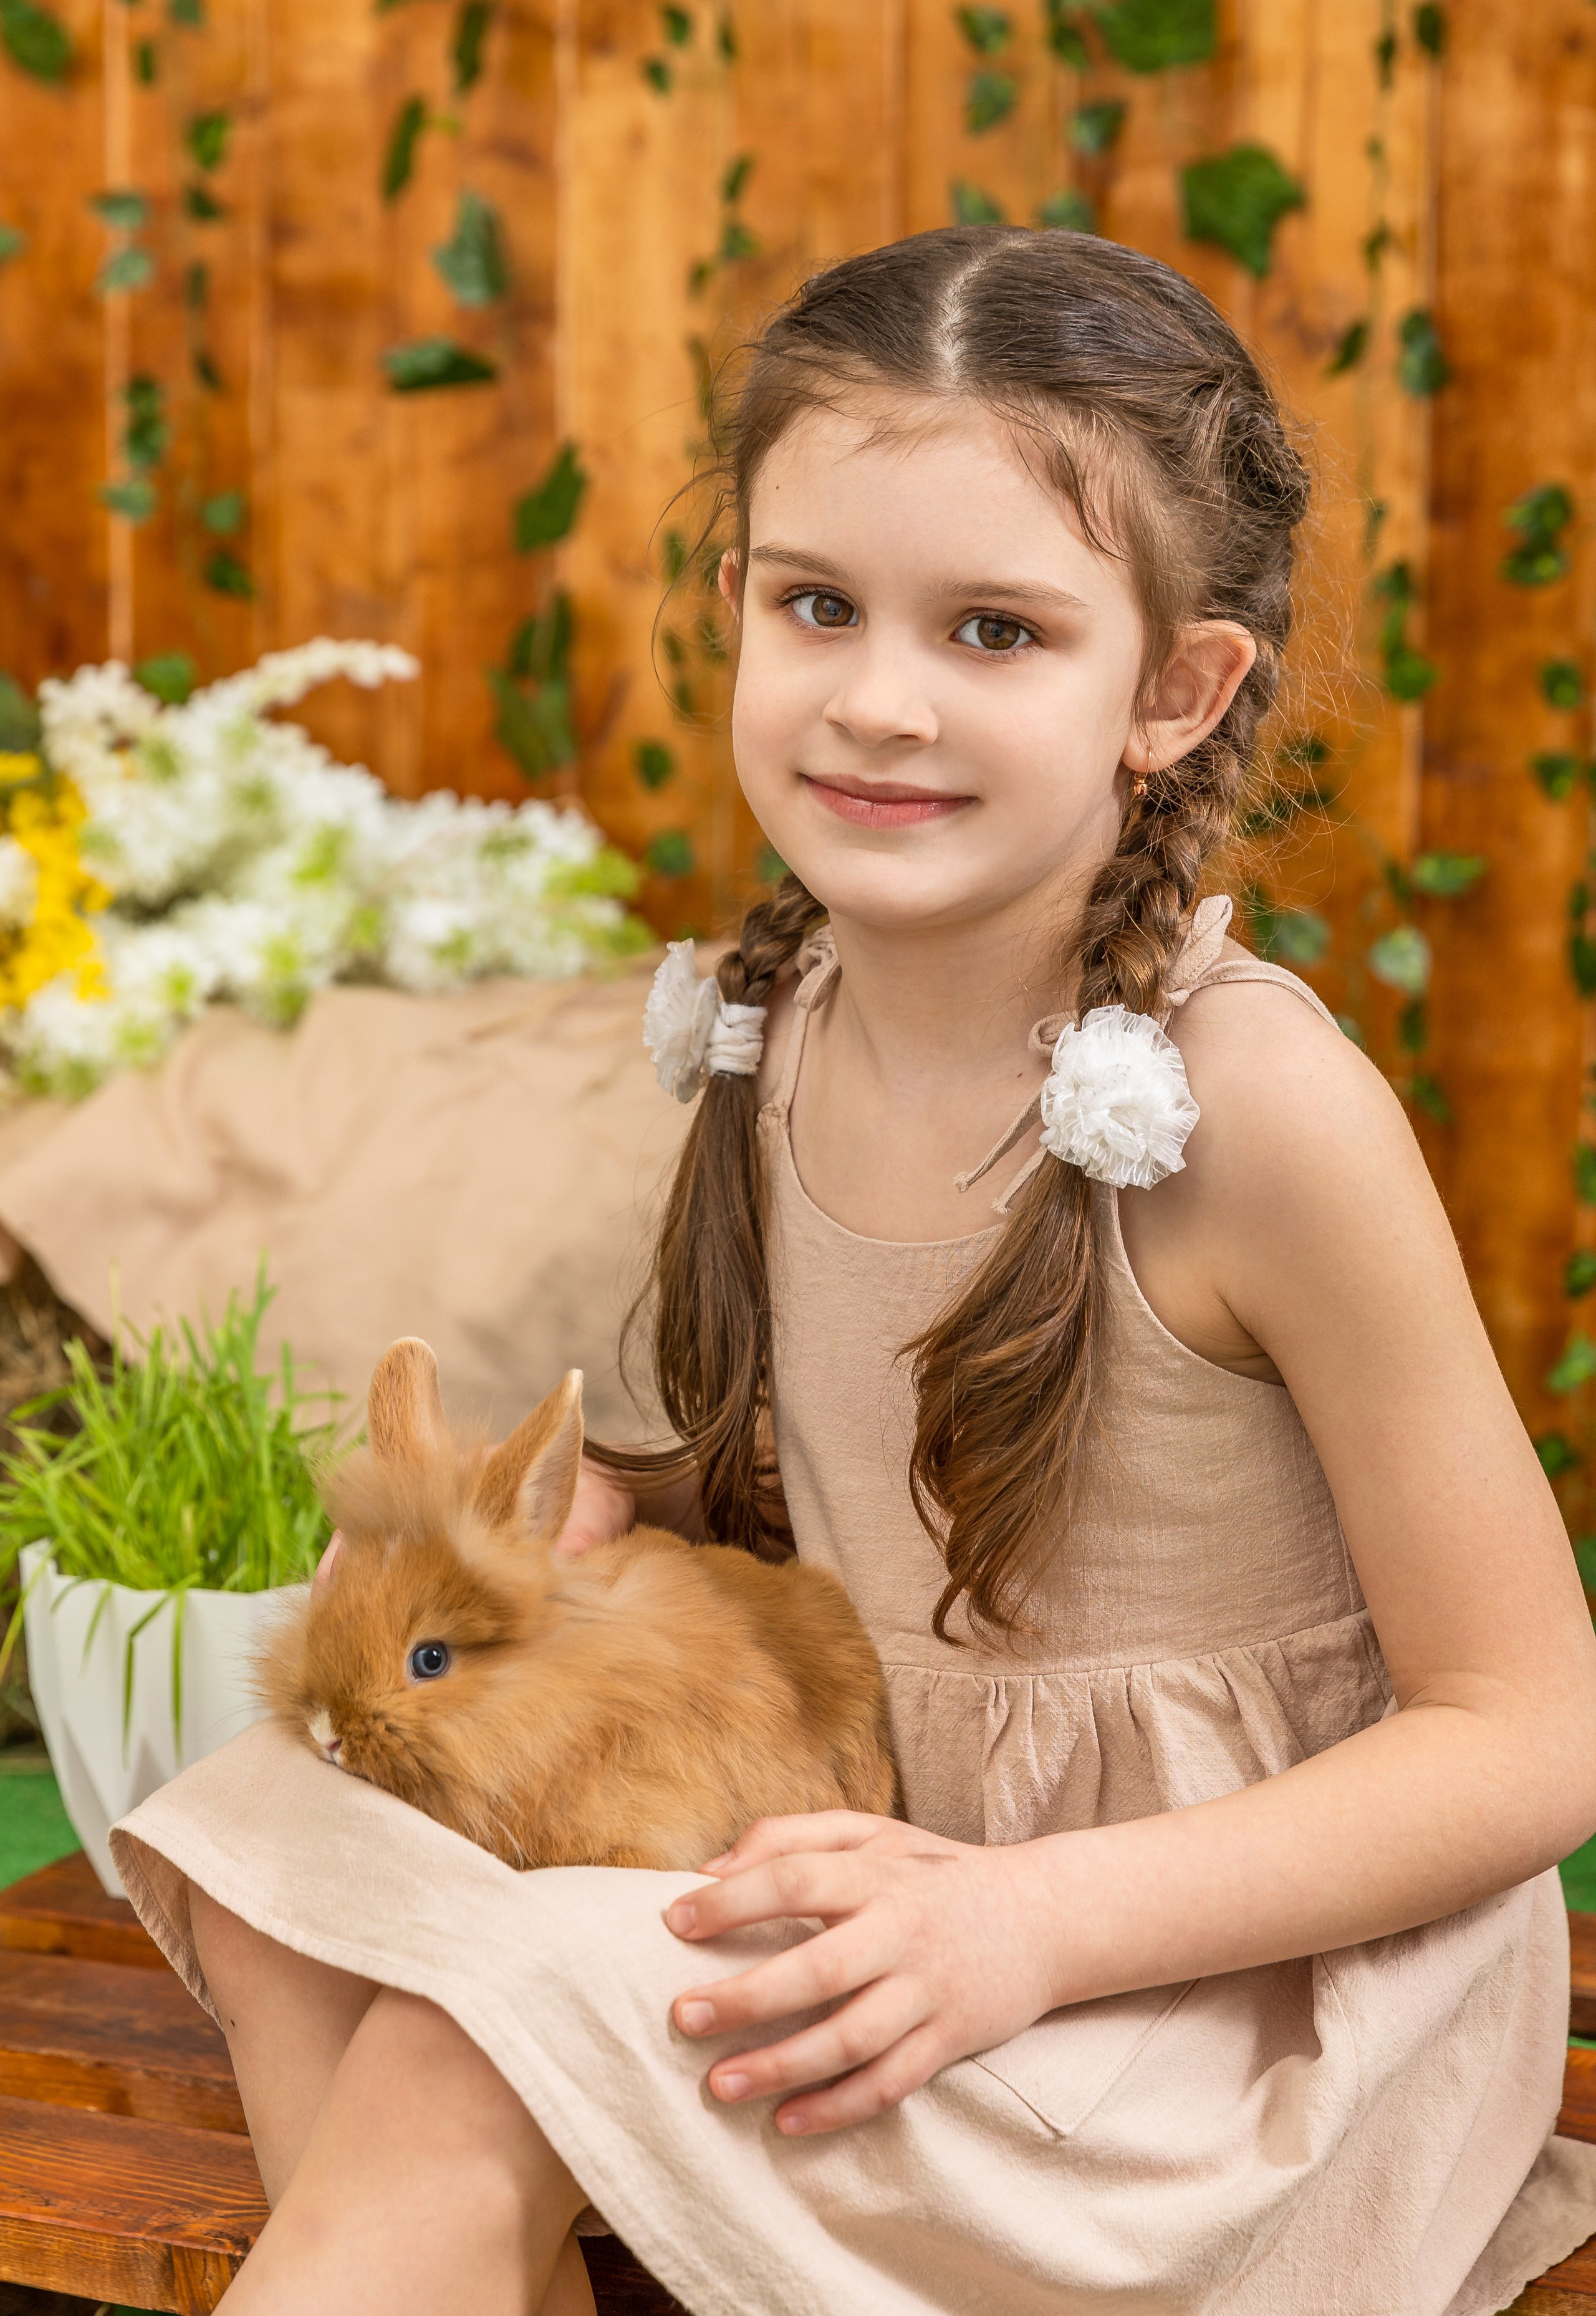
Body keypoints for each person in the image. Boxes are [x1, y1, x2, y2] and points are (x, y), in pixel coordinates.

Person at [113, 226, 1596, 2315]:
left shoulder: (1253, 1111)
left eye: (995, 629)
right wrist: (630, 1512)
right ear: (736, 607)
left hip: (1201, 1984)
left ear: (1175, 690)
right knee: (261, 1844)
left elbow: (1534, 1731)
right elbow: (869, 1502)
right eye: (819, 604)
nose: (879, 700)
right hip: (887, 1844)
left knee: (471, 2037)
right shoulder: (777, 1015)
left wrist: (1034, 1928)